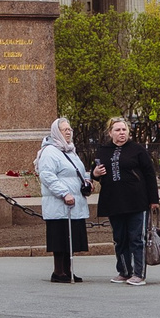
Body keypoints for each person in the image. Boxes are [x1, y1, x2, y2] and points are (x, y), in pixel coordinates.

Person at [93, 117, 159, 286]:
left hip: (137, 200)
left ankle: (139, 273)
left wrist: (153, 199)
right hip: (114, 200)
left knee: (137, 238)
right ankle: (124, 271)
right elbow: (97, 174)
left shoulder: (137, 150)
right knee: (120, 238)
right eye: (117, 130)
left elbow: (149, 174)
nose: (121, 133)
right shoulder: (103, 151)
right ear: (110, 133)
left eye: (124, 130)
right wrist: (95, 174)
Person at [35, 117, 93, 284]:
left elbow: (78, 172)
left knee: (70, 238)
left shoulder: (69, 150)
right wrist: (64, 193)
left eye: (70, 129)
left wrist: (87, 182)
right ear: (55, 132)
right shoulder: (49, 151)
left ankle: (68, 271)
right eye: (64, 130)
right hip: (59, 203)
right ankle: (58, 271)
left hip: (74, 203)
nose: (68, 132)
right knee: (60, 237)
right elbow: (47, 176)